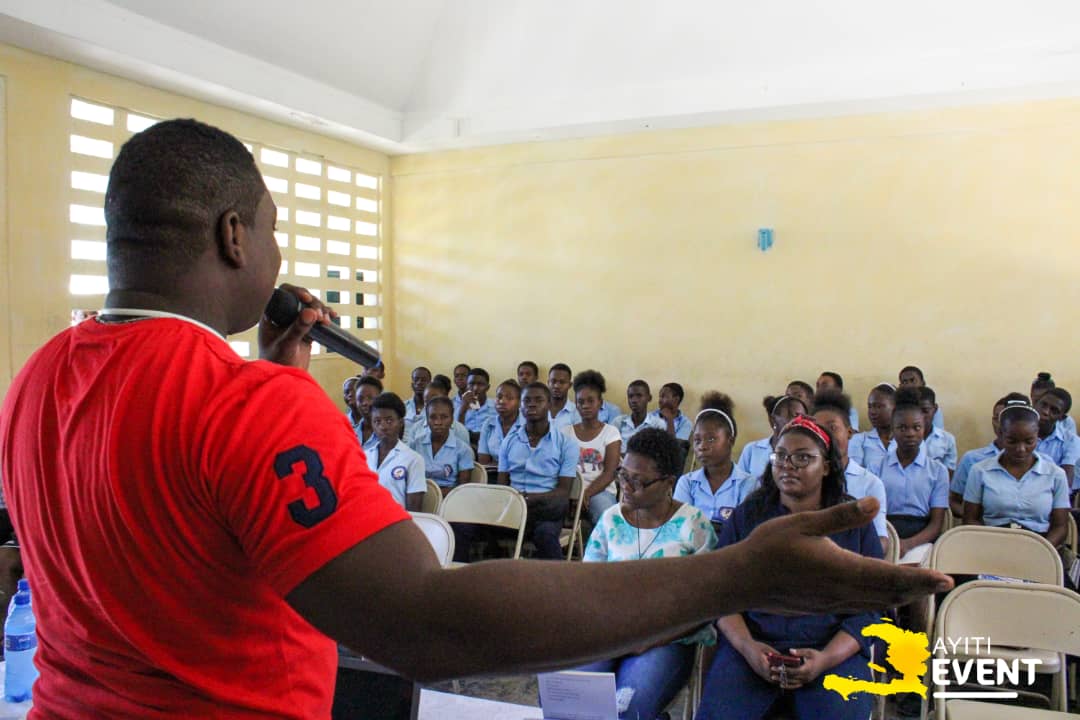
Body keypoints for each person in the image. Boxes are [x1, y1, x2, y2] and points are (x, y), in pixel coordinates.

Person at [0, 119, 949, 718]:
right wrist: (737, 570)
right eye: (275, 228)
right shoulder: (248, 406)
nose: (279, 252)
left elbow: (172, 533)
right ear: (234, 236)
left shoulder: (37, 380)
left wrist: (269, 377)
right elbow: (424, 623)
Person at [697, 415, 882, 720]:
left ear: (826, 466)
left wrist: (825, 659)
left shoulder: (853, 522)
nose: (788, 465)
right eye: (780, 456)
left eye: (802, 458)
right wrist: (749, 648)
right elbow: (721, 595)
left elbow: (872, 608)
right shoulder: (749, 516)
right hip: (753, 648)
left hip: (832, 651)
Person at [577, 429, 717, 720]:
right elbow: (587, 587)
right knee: (569, 700)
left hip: (667, 640)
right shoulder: (611, 519)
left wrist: (650, 639)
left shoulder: (694, 525)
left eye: (639, 481)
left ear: (668, 483)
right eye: (623, 475)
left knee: (626, 710)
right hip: (610, 633)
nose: (627, 487)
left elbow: (706, 607)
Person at [962, 401, 1070, 548]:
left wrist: (1042, 551)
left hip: (1040, 546)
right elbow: (969, 519)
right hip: (991, 543)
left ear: (1037, 434)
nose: (1021, 449)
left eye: (1029, 441)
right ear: (1000, 434)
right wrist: (992, 546)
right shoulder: (980, 471)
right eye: (1012, 441)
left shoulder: (1055, 475)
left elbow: (1060, 527)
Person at [494, 383, 579, 560]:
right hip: (514, 507)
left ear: (549, 404)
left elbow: (563, 491)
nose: (532, 404)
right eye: (527, 400)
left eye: (538, 400)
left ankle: (559, 578)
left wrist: (531, 499)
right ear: (520, 405)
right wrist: (518, 501)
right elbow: (502, 486)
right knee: (469, 525)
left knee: (546, 532)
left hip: (546, 510)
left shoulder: (566, 444)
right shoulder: (509, 441)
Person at [812, 391, 889, 555]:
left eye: (832, 428)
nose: (826, 436)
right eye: (818, 430)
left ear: (849, 432)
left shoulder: (870, 483)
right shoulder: (806, 481)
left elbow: (880, 540)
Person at [878, 388, 949, 564]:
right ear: (892, 430)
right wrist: (891, 543)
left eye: (916, 427)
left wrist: (907, 545)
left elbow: (936, 524)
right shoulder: (876, 467)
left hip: (921, 538)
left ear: (924, 429)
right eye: (902, 428)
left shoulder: (938, 471)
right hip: (885, 534)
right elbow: (874, 516)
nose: (910, 433)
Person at [674, 392, 756, 533]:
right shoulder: (687, 483)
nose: (702, 446)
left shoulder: (747, 484)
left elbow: (744, 530)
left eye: (711, 439)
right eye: (697, 440)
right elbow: (679, 528)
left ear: (730, 441)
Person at [949, 394, 1025, 517]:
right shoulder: (972, 460)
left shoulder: (1043, 464)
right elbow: (953, 501)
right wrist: (974, 518)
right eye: (996, 418)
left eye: (1007, 419)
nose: (1000, 424)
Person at [563, 371, 622, 525]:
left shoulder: (611, 433)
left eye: (591, 401)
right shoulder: (565, 432)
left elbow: (610, 473)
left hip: (600, 491)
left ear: (600, 403)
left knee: (607, 517)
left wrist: (586, 494)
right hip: (568, 490)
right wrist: (571, 494)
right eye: (581, 402)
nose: (585, 406)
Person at [367, 393, 426, 510]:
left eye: (389, 421)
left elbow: (414, 510)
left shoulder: (413, 459)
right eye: (377, 421)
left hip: (396, 520)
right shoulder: (364, 456)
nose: (383, 426)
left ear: (401, 422)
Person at [410, 396, 474, 497]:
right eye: (433, 417)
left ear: (452, 419)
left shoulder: (463, 450)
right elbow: (409, 479)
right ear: (427, 419)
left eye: (444, 417)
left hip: (449, 498)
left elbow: (463, 488)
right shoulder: (415, 445)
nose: (438, 422)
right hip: (418, 495)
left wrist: (434, 495)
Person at [736, 395, 808, 479]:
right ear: (772, 420)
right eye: (789, 415)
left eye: (800, 417)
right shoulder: (752, 450)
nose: (794, 421)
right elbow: (739, 482)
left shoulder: (808, 452)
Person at [404, 374, 471, 448]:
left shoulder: (460, 430)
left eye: (435, 400)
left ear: (445, 399)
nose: (431, 405)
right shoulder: (416, 428)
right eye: (426, 401)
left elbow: (465, 452)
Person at [1034, 387, 1080, 488]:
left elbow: (1065, 483)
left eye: (1054, 410)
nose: (1045, 412)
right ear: (1035, 404)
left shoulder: (1071, 441)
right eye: (1043, 405)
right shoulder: (1018, 433)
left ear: (1062, 418)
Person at [848, 383, 896, 476]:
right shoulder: (859, 440)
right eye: (870, 406)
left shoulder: (905, 440)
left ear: (895, 408)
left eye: (879, 406)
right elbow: (855, 476)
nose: (872, 412)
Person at [477, 380, 523, 466]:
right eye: (499, 397)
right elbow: (483, 461)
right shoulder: (488, 423)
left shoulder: (528, 424)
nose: (502, 401)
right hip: (492, 472)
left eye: (509, 398)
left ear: (520, 402)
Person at [612, 380, 666, 453]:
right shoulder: (619, 422)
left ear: (649, 398)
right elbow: (610, 447)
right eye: (630, 396)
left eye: (639, 396)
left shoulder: (657, 424)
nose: (634, 400)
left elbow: (659, 453)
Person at [457, 367, 496, 444]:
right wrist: (462, 411)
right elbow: (457, 434)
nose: (475, 388)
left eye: (480, 384)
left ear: (487, 387)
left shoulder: (496, 407)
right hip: (466, 445)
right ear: (467, 386)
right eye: (471, 384)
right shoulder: (459, 408)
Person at [353, 375, 383, 453]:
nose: (365, 403)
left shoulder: (386, 435)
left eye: (370, 398)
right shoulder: (350, 432)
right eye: (360, 399)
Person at [548, 363, 580, 431]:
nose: (557, 386)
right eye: (553, 381)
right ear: (548, 383)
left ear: (570, 385)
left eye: (562, 382)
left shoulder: (576, 412)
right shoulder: (539, 408)